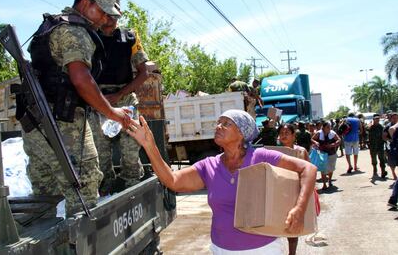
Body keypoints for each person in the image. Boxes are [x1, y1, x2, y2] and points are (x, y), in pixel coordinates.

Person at [128, 109, 317, 254]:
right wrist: (149, 145)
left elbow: (308, 169)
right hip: (221, 249)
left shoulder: (260, 156)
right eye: (218, 123)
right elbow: (172, 180)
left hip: (262, 249)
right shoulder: (208, 166)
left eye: (226, 123)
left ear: (242, 133)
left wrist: (299, 209)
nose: (218, 126)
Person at [23, 0, 131, 215]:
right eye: (102, 11)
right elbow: (81, 79)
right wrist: (112, 113)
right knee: (85, 191)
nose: (104, 18)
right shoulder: (76, 31)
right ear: (84, 2)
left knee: (45, 196)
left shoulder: (51, 25)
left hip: (34, 124)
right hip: (65, 126)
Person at [89, 7, 149, 195]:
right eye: (109, 15)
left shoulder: (130, 37)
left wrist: (118, 95)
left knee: (131, 150)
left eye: (117, 16)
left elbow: (144, 72)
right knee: (101, 154)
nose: (113, 19)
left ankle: (132, 186)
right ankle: (107, 192)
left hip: (125, 99)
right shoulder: (88, 36)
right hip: (98, 101)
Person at [278, 123, 310, 255]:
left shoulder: (301, 151)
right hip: (280, 191)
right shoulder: (275, 152)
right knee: (277, 223)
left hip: (295, 191)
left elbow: (309, 171)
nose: (283, 135)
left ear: (293, 135)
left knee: (292, 225)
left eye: (287, 133)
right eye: (281, 133)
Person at [312, 121, 341, 189]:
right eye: (328, 127)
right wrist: (316, 142)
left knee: (331, 168)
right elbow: (312, 139)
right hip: (322, 154)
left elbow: (339, 140)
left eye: (330, 127)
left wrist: (334, 144)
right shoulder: (318, 133)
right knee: (323, 168)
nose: (329, 128)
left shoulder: (332, 133)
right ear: (324, 127)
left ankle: (330, 180)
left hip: (332, 153)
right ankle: (324, 184)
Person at [383, 112, 398, 180]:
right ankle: (393, 173)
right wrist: (390, 140)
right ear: (391, 118)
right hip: (391, 146)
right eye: (394, 118)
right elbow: (384, 137)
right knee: (392, 162)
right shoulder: (388, 126)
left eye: (396, 118)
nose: (395, 119)